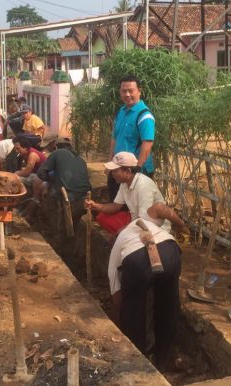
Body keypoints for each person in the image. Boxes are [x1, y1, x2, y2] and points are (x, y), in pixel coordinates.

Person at [108, 208, 181, 367]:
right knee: (168, 306)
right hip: (171, 251)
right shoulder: (152, 226)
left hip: (137, 260)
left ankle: (136, 359)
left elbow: (117, 293)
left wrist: (118, 316)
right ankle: (163, 357)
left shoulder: (120, 240)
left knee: (133, 309)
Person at [85, 152, 188, 236]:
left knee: (122, 235)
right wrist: (96, 206)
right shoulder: (124, 184)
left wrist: (125, 230)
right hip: (135, 219)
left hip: (151, 223)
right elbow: (116, 206)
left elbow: (144, 219)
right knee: (102, 217)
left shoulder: (143, 185)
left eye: (115, 171)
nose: (113, 174)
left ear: (128, 171)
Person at [109, 75, 155, 200]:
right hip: (118, 168)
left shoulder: (144, 116)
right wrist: (110, 162)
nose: (127, 94)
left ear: (139, 91)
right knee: (116, 204)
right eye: (124, 91)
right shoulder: (121, 112)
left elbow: (147, 143)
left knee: (134, 208)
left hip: (135, 171)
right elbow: (114, 138)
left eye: (131, 90)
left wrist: (137, 169)